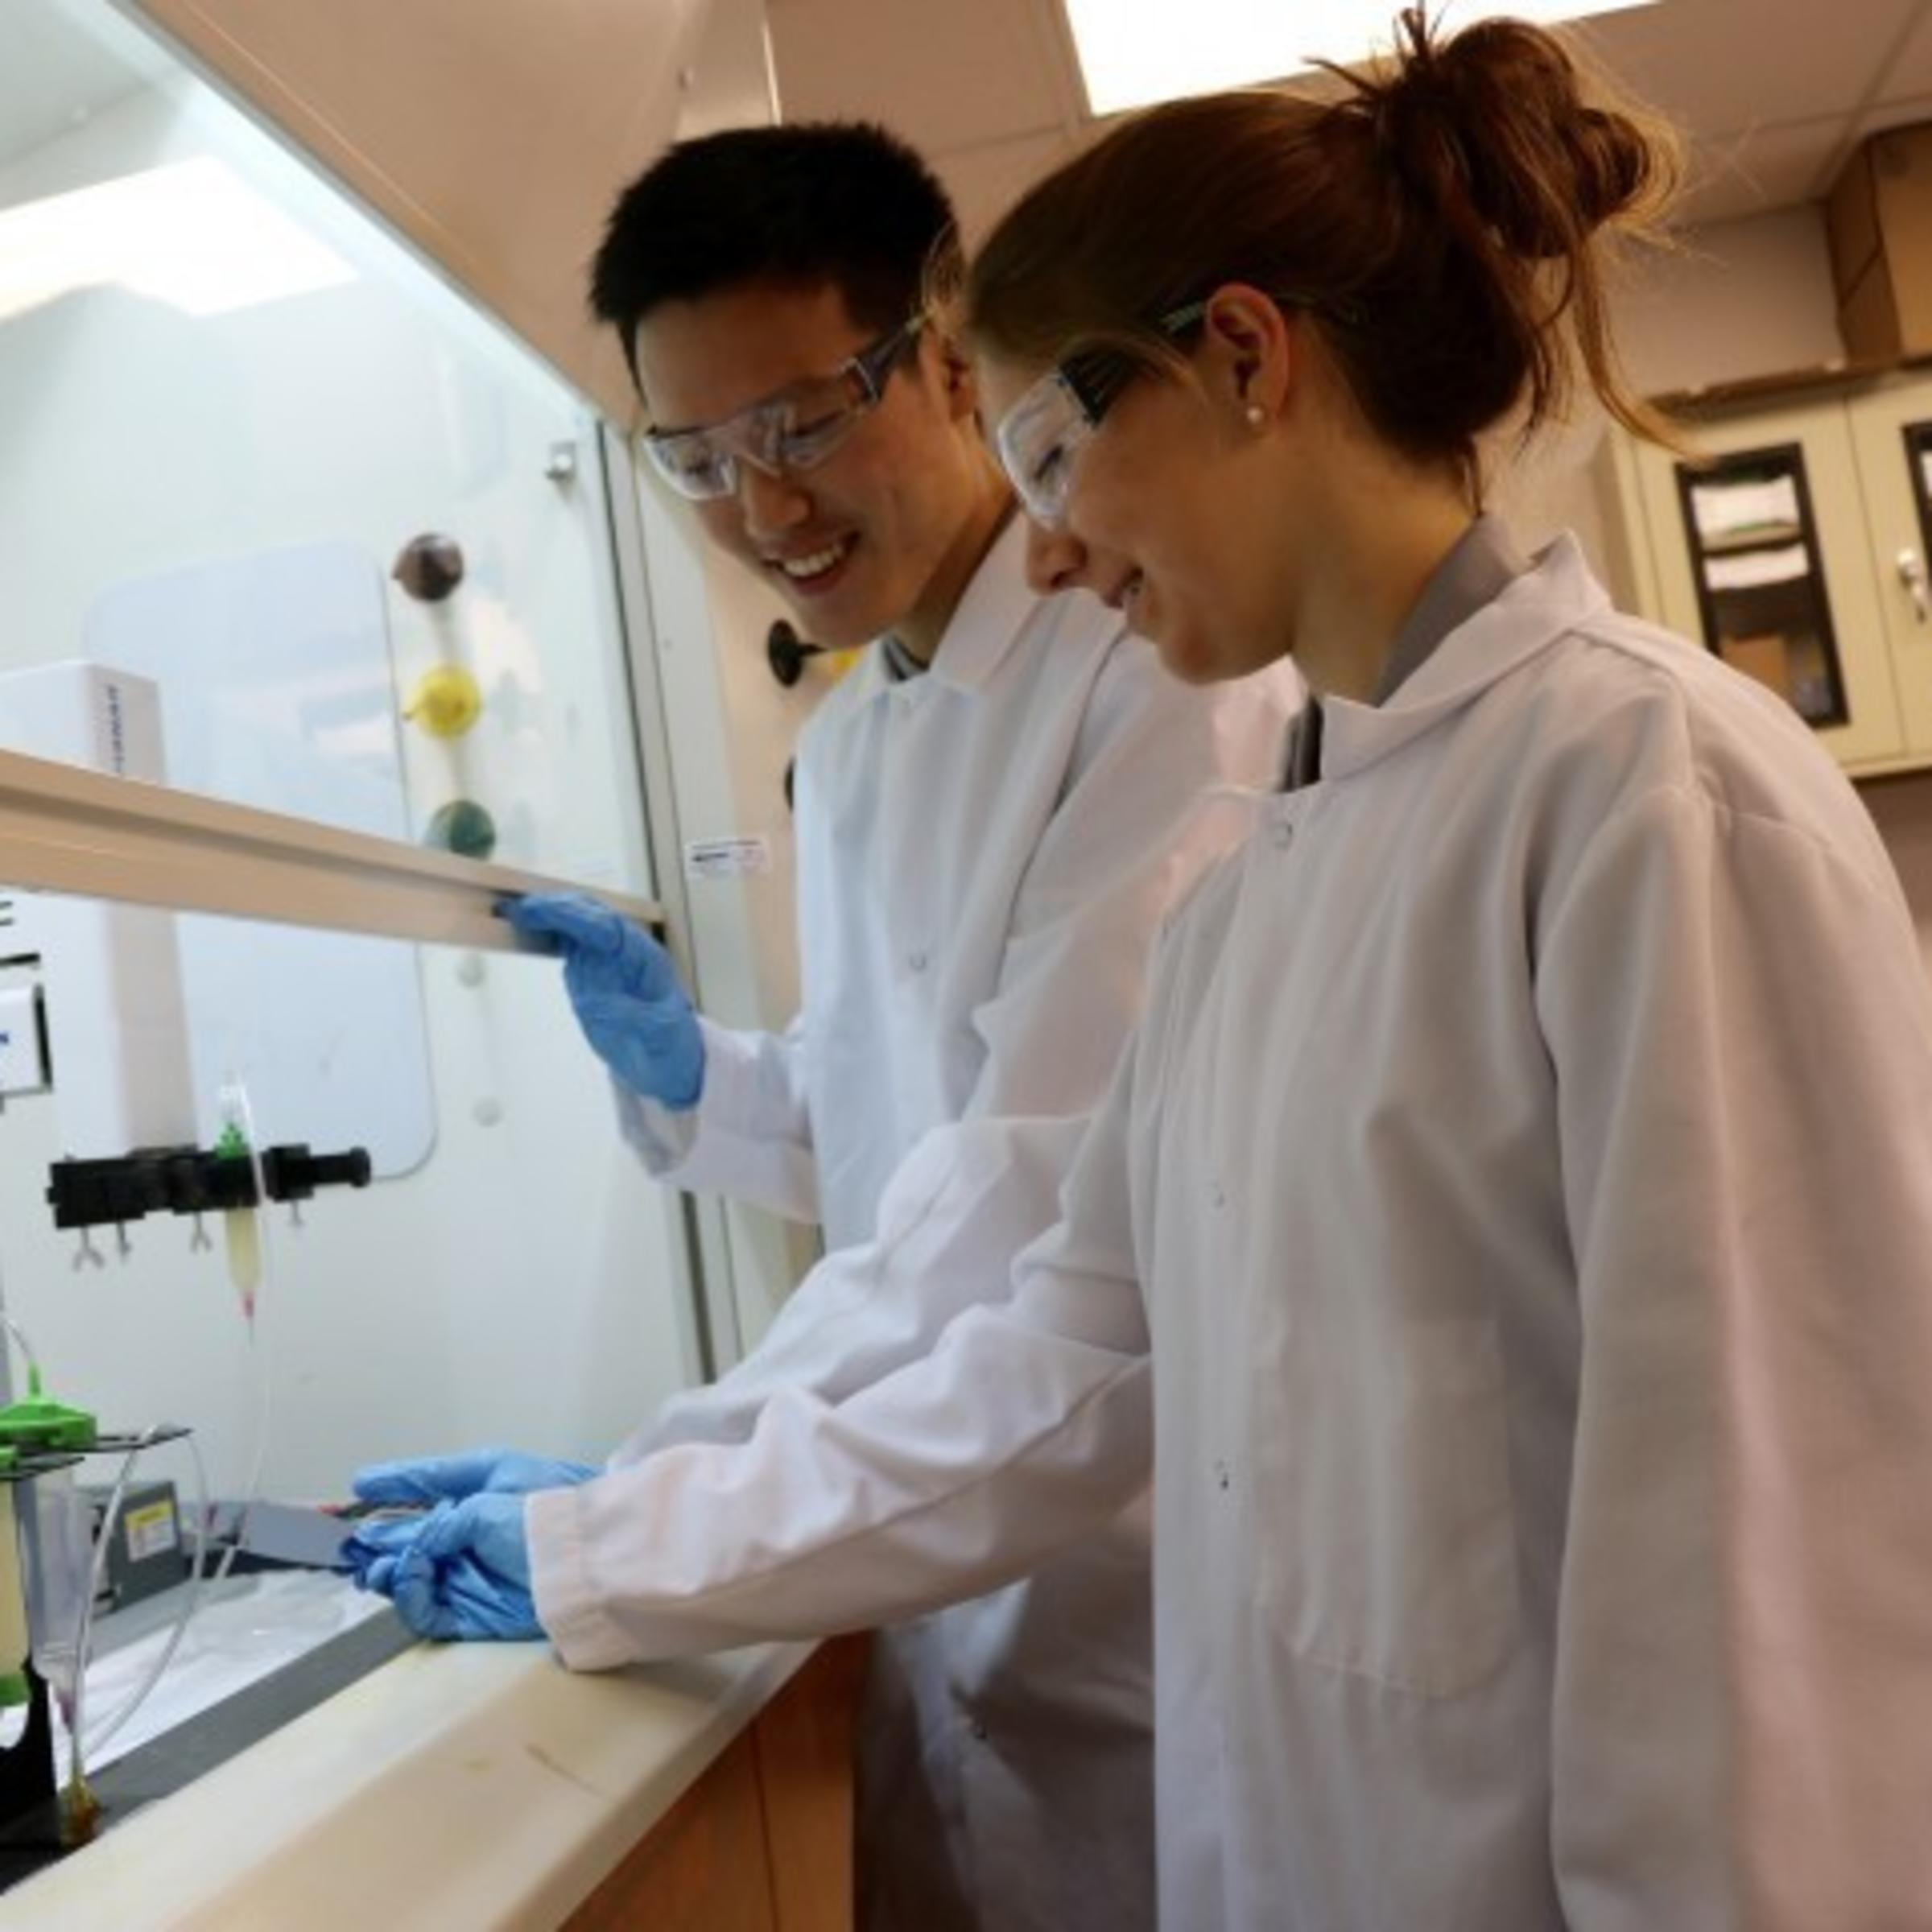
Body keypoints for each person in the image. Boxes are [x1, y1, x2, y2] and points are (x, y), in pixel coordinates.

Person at [353, 14, 1932, 1925]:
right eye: (694, 458)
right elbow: (1070, 1344)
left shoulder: (1644, 794)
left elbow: (1765, 1593)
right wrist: (626, 1519)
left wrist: (637, 1506)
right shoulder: (1269, 874)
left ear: (1243, 359)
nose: (1062, 552)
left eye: (1046, 448)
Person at [349, 122, 1299, 1932]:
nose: (761, 507)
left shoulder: (1160, 682)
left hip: (1135, 1634)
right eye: (692, 458)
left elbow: (1034, 1233)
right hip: (933, 1594)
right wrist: (712, 1084)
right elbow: (908, 1145)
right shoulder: (858, 739)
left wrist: (644, 1498)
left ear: (950, 360)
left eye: (800, 424)